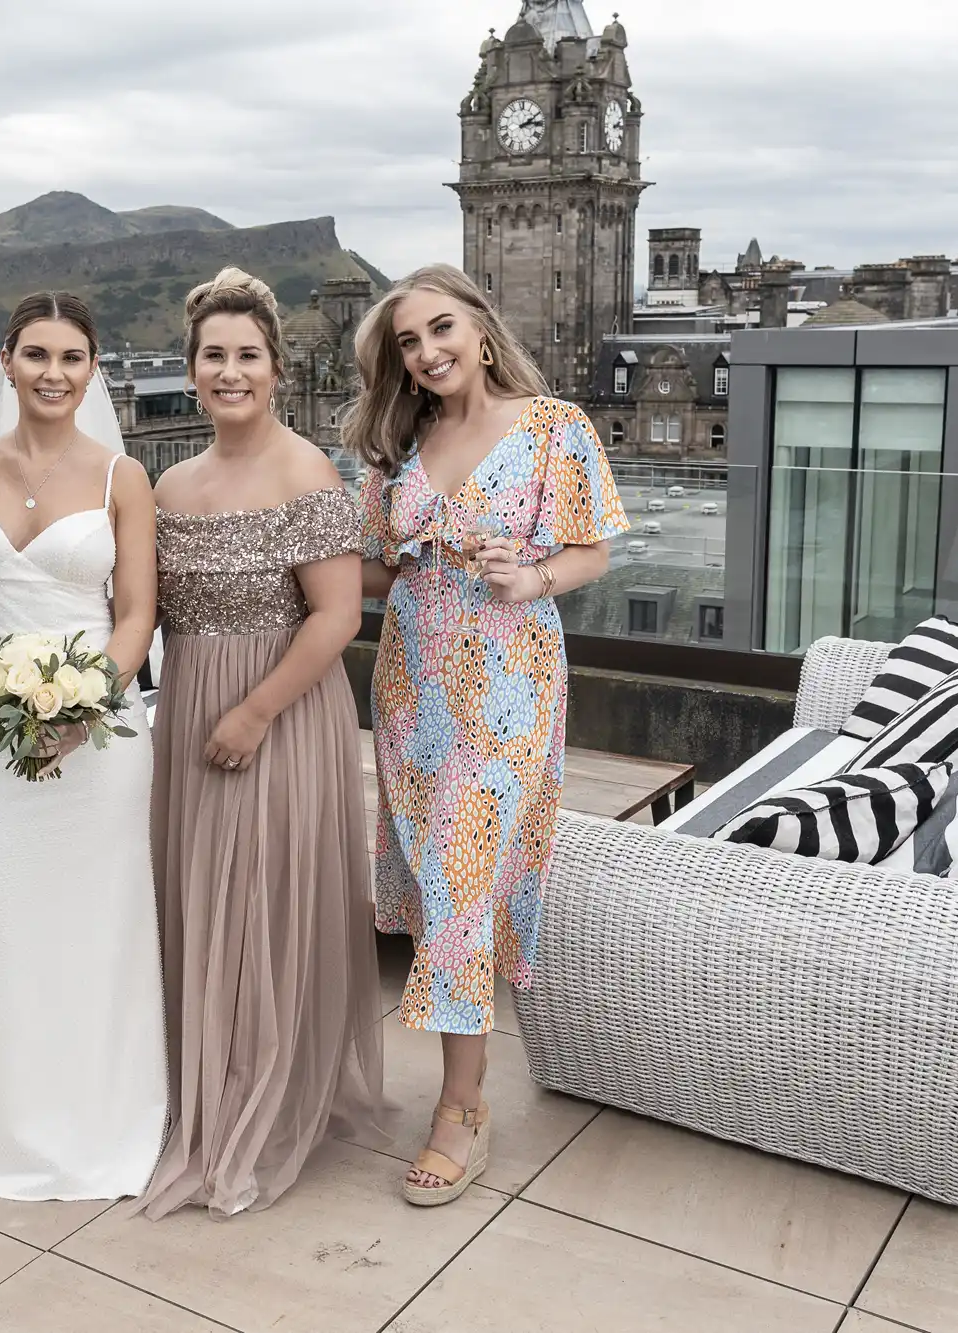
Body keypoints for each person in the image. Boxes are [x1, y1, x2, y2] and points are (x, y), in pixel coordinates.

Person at [348, 264, 626, 1207]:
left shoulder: (554, 428)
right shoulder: (402, 442)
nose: (427, 354)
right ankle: (466, 1082)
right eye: (408, 345)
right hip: (412, 688)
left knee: (464, 880)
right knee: (440, 885)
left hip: (508, 683)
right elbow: (379, 572)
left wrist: (533, 577)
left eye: (439, 330)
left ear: (478, 322)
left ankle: (460, 1107)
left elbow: (594, 547)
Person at [139, 268, 388, 1220]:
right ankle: (202, 1079)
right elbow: (145, 612)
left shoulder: (306, 470)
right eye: (215, 356)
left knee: (263, 899)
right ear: (192, 370)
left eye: (248, 355)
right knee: (203, 896)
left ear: (276, 369)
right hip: (190, 703)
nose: (230, 371)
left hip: (280, 711)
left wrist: (253, 713)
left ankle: (264, 1095)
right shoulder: (170, 482)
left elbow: (335, 616)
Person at [0, 291, 169, 1201]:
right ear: (6, 361)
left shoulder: (124, 477)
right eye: (35, 354)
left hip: (99, 736)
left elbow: (138, 614)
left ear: (93, 369)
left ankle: (107, 1117)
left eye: (72, 356)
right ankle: (8, 1121)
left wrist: (85, 707)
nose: (53, 372)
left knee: (98, 922)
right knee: (2, 924)